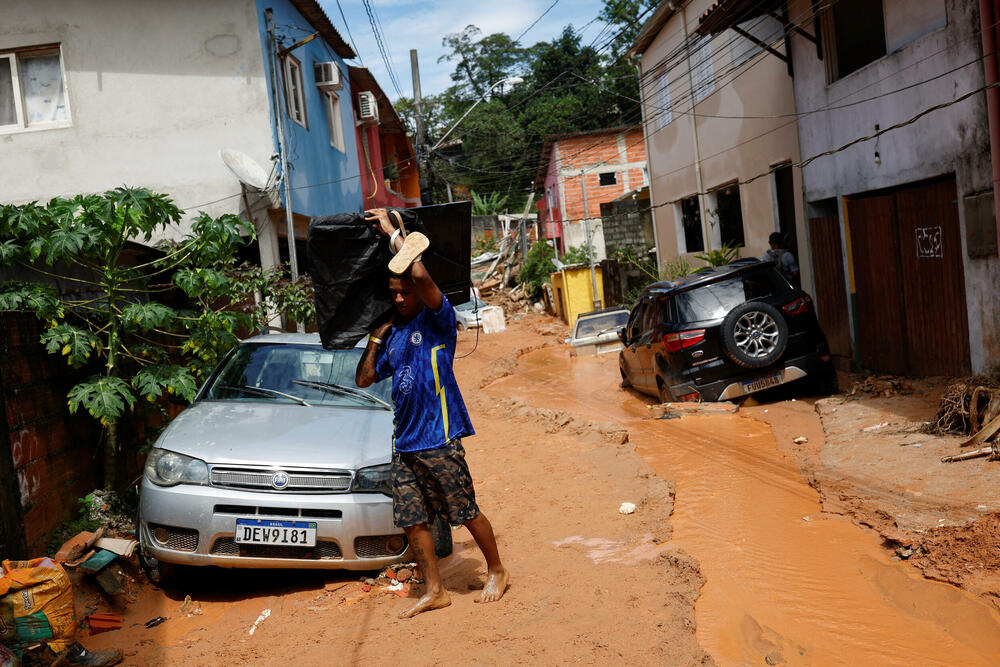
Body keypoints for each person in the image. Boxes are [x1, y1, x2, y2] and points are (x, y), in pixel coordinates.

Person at [355, 208, 509, 619]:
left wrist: (392, 233)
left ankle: (497, 569)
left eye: (404, 293)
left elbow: (421, 275)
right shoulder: (394, 336)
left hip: (439, 437)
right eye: (394, 294)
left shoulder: (439, 320)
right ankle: (435, 589)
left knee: (465, 511)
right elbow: (364, 379)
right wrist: (375, 338)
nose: (399, 299)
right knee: (412, 520)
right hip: (404, 444)